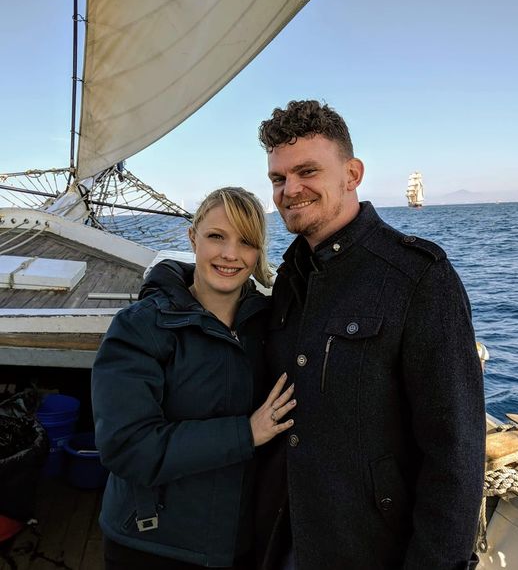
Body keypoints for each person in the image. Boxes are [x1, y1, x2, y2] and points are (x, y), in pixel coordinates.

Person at [256, 100, 486, 569]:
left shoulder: (417, 277)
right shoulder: (291, 277)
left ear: (352, 174)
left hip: (370, 550)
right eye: (279, 178)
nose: (290, 190)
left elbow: (455, 456)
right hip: (285, 539)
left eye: (307, 172)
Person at [92, 187, 296, 570]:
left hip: (238, 545)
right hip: (151, 545)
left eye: (246, 241)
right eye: (217, 236)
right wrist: (246, 433)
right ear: (192, 237)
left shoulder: (269, 326)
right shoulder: (139, 328)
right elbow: (127, 446)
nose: (230, 254)